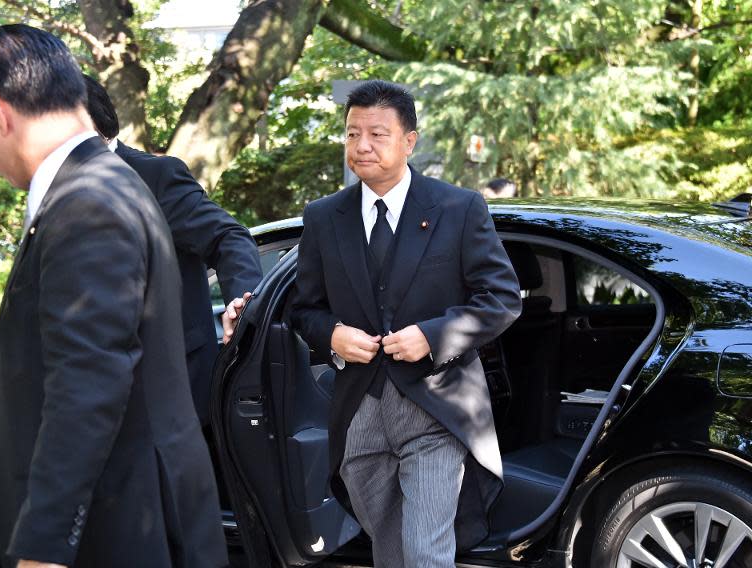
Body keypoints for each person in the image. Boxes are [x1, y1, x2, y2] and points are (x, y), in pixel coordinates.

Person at [0, 24, 227, 568]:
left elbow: (87, 383)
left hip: (113, 528)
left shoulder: (88, 201)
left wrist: (42, 549)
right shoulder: (100, 182)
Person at [290, 80, 523, 567]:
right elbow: (303, 308)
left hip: (436, 405)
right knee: (388, 549)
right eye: (353, 134)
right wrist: (332, 334)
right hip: (359, 411)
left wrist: (432, 336)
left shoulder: (459, 209)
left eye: (378, 134)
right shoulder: (323, 217)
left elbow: (501, 298)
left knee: (424, 553)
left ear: (409, 141)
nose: (363, 146)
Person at [83, 74, 263, 425]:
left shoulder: (155, 176)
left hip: (171, 395)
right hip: (96, 397)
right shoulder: (51, 193)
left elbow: (228, 237)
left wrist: (244, 308)